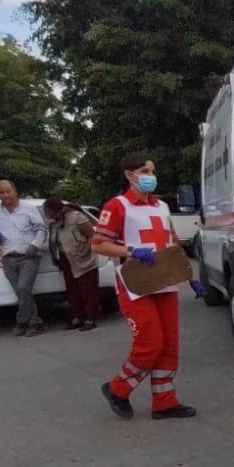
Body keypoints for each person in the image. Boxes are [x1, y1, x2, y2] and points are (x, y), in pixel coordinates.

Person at [91, 153, 196, 420]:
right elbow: (99, 243)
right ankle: (118, 388)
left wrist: (190, 276)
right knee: (150, 343)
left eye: (152, 170)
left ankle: (164, 401)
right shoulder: (117, 206)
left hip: (164, 282)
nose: (150, 175)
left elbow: (172, 242)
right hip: (134, 284)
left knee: (170, 344)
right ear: (129, 175)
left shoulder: (161, 206)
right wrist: (131, 250)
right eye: (144, 171)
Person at [0, 179, 47, 336]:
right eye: (1, 192)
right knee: (20, 291)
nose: (5, 195)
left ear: (15, 191)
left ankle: (22, 321)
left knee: (23, 287)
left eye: (8, 191)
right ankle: (34, 322)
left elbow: (41, 228)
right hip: (7, 256)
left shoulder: (29, 208)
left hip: (28, 255)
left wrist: (35, 245)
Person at [44, 196, 100, 330]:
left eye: (47, 210)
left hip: (82, 256)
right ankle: (77, 317)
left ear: (54, 210)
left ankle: (90, 319)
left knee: (88, 290)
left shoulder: (76, 217)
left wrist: (86, 252)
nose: (46, 213)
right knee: (72, 290)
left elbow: (91, 235)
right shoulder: (54, 223)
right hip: (66, 258)